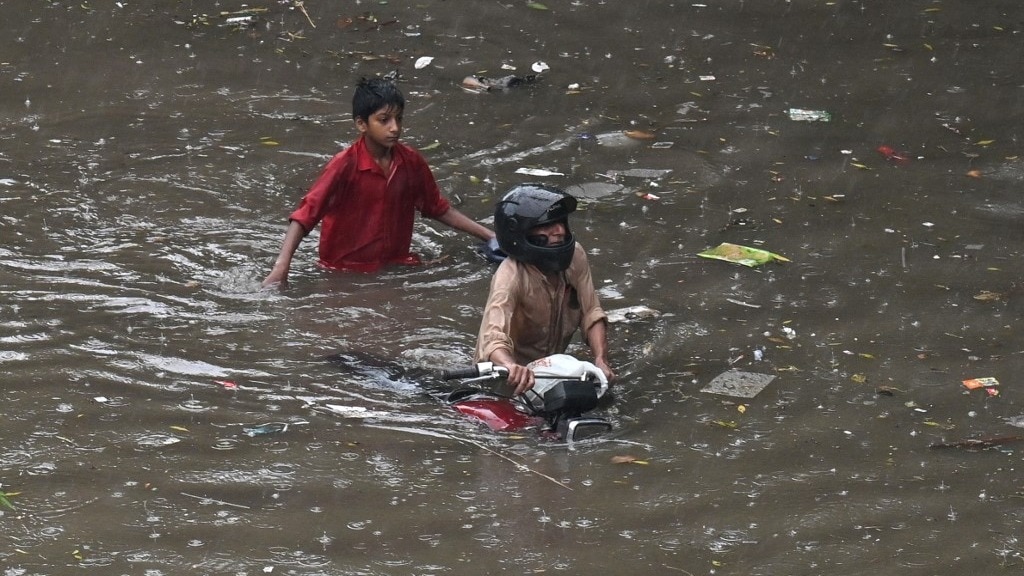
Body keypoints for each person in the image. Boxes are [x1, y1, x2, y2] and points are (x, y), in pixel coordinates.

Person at [262, 76, 499, 287]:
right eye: (384, 120)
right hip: (343, 273)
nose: (394, 128)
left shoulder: (411, 162)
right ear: (361, 124)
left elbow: (437, 207)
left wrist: (490, 236)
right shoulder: (344, 165)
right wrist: (281, 268)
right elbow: (304, 217)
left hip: (394, 267)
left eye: (398, 119)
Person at [475, 183, 614, 396]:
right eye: (547, 226)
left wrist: (600, 359)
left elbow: (592, 313)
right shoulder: (510, 276)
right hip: (507, 379)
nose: (559, 231)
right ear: (520, 234)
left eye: (560, 223)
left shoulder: (576, 256)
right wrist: (511, 366)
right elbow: (493, 337)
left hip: (551, 371)